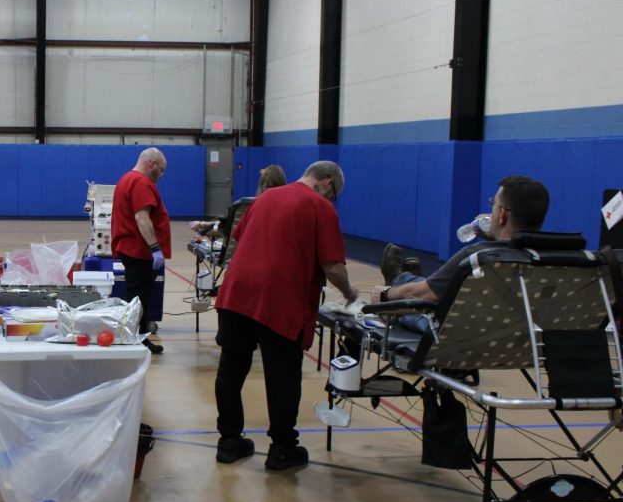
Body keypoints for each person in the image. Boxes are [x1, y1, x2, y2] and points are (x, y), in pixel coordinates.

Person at [213, 160, 358, 471]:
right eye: (334, 195)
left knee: (230, 370)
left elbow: (237, 240)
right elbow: (333, 267)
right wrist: (350, 294)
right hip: (280, 300)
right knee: (282, 377)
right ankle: (281, 448)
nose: (331, 201)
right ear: (328, 182)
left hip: (237, 293)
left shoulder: (265, 198)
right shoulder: (320, 207)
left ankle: (228, 442)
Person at [375, 175, 550, 306]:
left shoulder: (478, 257)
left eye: (494, 205)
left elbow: (422, 294)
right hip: (527, 340)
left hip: (461, 336)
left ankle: (398, 279)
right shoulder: (553, 258)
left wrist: (386, 295)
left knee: (420, 294)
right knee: (437, 285)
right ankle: (407, 278)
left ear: (502, 215)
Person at [111, 147, 172, 354]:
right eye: (161, 170)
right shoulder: (141, 182)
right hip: (139, 251)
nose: (161, 176)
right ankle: (133, 339)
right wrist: (155, 247)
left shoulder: (126, 179)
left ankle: (139, 338)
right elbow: (141, 217)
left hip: (133, 249)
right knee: (137, 298)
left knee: (139, 297)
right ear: (152, 164)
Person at [189, 163, 286, 238]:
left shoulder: (253, 207)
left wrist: (202, 225)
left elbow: (231, 227)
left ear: (262, 186)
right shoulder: (287, 208)